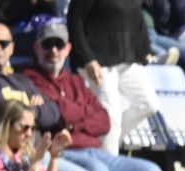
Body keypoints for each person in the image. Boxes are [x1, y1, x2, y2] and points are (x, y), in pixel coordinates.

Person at [26, 23, 162, 171]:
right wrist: (84, 111)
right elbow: (57, 113)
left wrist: (74, 125)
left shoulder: (74, 80)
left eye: (59, 45)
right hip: (60, 153)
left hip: (93, 151)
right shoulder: (28, 80)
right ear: (36, 48)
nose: (53, 51)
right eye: (47, 45)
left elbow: (104, 121)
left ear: (68, 49)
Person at [65, 0, 159, 157]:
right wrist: (88, 58)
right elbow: (75, 20)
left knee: (149, 104)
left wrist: (145, 48)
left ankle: (101, 142)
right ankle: (110, 167)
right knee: (111, 116)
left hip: (128, 57)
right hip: (97, 60)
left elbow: (137, 17)